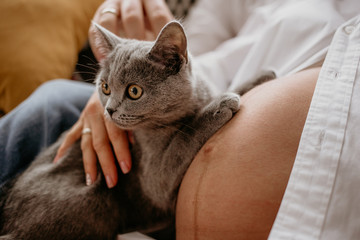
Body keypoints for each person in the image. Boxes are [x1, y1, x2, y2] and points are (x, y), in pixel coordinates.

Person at [0, 0, 359, 239]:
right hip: (188, 84)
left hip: (192, 93)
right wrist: (109, 93)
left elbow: (179, 62)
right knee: (51, 100)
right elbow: (189, 46)